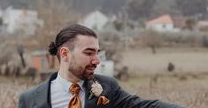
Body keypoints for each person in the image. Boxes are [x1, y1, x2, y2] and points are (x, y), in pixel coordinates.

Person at [18, 24, 185, 108]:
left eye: (97, 52)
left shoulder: (107, 87)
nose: (97, 60)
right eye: (89, 53)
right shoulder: (29, 100)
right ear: (64, 54)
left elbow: (144, 106)